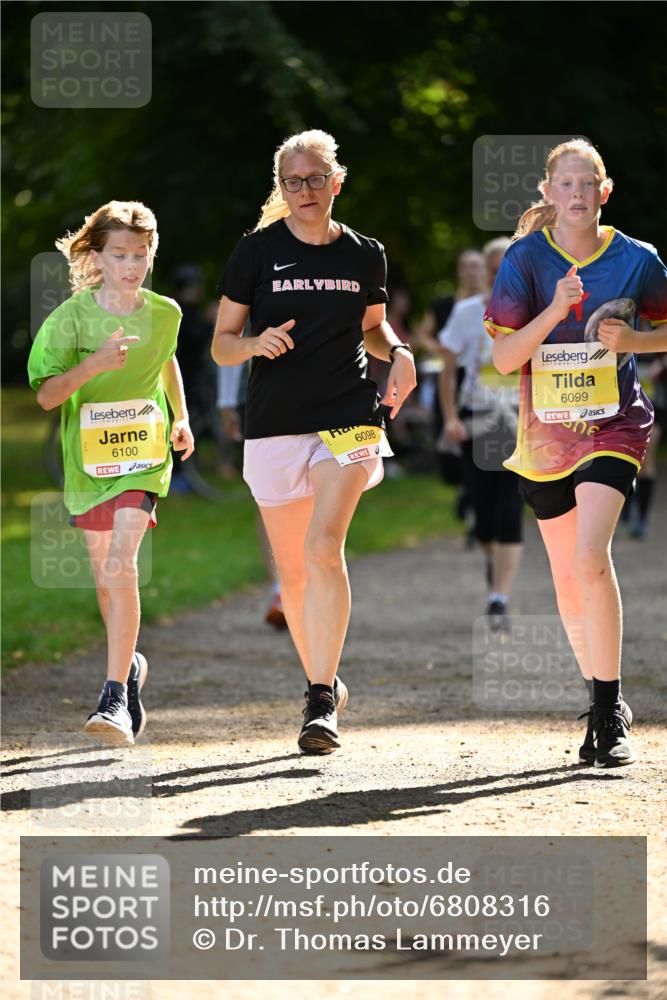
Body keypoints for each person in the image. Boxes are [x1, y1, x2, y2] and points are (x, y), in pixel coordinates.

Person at [212, 129, 417, 755]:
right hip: (275, 421)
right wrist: (252, 344)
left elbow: (374, 331)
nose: (305, 191)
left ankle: (320, 700)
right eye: (292, 182)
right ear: (281, 188)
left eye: (315, 178)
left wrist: (401, 353)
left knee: (325, 546)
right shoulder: (256, 252)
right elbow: (222, 341)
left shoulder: (364, 254)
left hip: (349, 415)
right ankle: (321, 675)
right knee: (295, 574)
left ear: (337, 180)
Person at [485, 138, 667, 768]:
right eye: (564, 184)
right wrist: (555, 310)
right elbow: (504, 358)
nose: (576, 195)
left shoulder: (638, 260)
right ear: (547, 193)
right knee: (567, 578)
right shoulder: (526, 260)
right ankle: (597, 698)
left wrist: (637, 338)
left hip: (615, 426)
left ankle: (612, 709)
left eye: (587, 184)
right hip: (545, 439)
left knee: (591, 559)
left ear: (604, 191)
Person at [28, 201, 194, 745]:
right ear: (96, 255)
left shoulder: (165, 312)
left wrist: (182, 417)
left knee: (122, 560)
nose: (131, 265)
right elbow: (48, 396)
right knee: (106, 579)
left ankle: (113, 696)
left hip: (143, 456)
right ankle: (131, 667)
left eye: (141, 255)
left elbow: (166, 359)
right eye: (120, 255)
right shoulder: (70, 319)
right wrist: (94, 364)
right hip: (89, 463)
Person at [440, 237, 523, 630]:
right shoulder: (467, 311)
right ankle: (495, 566)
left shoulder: (534, 311)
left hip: (518, 421)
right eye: (491, 267)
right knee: (483, 510)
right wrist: (449, 416)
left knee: (510, 507)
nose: (495, 274)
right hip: (476, 419)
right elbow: (447, 367)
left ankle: (498, 597)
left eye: (502, 266)